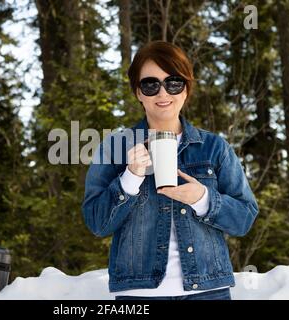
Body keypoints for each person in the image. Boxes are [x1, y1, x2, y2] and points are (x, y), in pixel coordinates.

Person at [81, 41, 259, 300]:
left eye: (173, 83)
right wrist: (129, 178)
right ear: (138, 93)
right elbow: (97, 224)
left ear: (186, 89)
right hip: (139, 295)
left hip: (208, 291)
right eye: (150, 85)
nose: (162, 94)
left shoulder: (213, 148)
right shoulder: (115, 147)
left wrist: (204, 199)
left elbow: (244, 218)